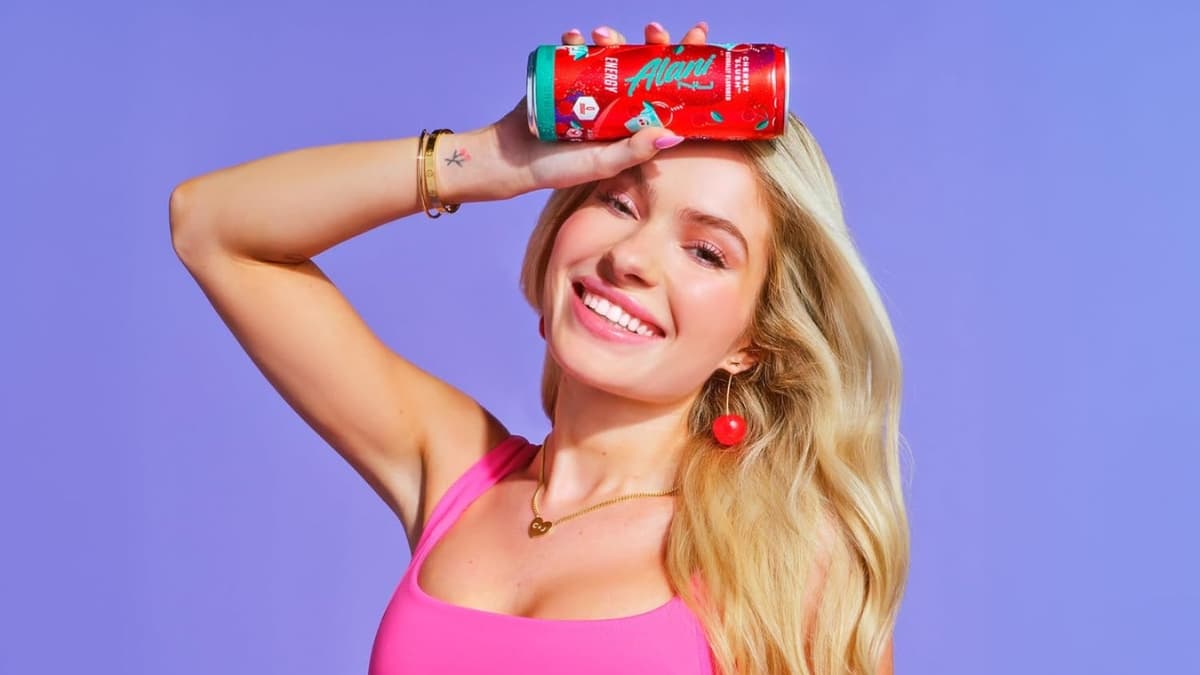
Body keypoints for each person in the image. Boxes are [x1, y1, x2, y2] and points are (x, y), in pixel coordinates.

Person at [169, 19, 908, 675]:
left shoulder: (788, 563)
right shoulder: (459, 475)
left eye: (707, 252)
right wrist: (491, 159)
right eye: (618, 200)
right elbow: (210, 226)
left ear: (752, 342)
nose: (633, 259)